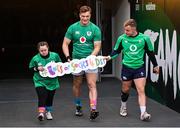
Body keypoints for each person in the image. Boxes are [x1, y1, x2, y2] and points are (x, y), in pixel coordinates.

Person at [104, 19, 159, 121]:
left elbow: (150, 53)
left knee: (141, 90)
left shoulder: (145, 38)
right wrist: (109, 57)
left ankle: (143, 113)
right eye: (125, 30)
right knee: (126, 90)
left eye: (128, 30)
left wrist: (155, 65)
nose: (125, 32)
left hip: (139, 68)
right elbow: (116, 51)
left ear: (134, 29)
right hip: (127, 68)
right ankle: (123, 106)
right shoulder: (122, 38)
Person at [62, 5, 101, 120]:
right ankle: (78, 105)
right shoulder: (73, 28)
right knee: (77, 84)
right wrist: (68, 57)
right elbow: (65, 44)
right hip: (76, 61)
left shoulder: (95, 29)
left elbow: (97, 46)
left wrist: (91, 57)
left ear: (90, 16)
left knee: (91, 84)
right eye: (83, 16)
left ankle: (93, 109)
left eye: (87, 16)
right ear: (79, 15)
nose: (85, 19)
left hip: (90, 61)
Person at [29, 41, 61, 121]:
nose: (43, 52)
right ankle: (41, 113)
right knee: (42, 96)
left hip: (52, 82)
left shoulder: (55, 56)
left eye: (45, 50)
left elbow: (60, 65)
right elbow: (30, 68)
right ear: (38, 51)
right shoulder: (35, 58)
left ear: (48, 49)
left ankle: (48, 112)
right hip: (40, 81)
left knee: (50, 97)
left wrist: (58, 68)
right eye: (41, 51)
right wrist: (37, 68)